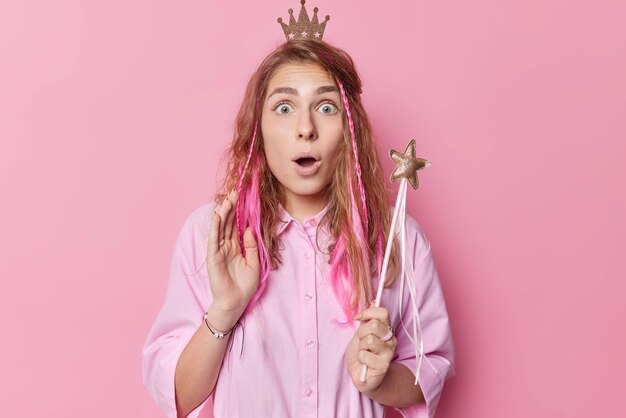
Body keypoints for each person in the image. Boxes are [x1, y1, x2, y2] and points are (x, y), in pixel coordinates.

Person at [142, 4, 454, 417]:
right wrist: (225, 310)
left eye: (326, 107)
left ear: (349, 130)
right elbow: (178, 396)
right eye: (284, 108)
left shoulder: (398, 239)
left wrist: (380, 379)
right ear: (259, 130)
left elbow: (429, 372)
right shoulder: (212, 237)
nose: (305, 128)